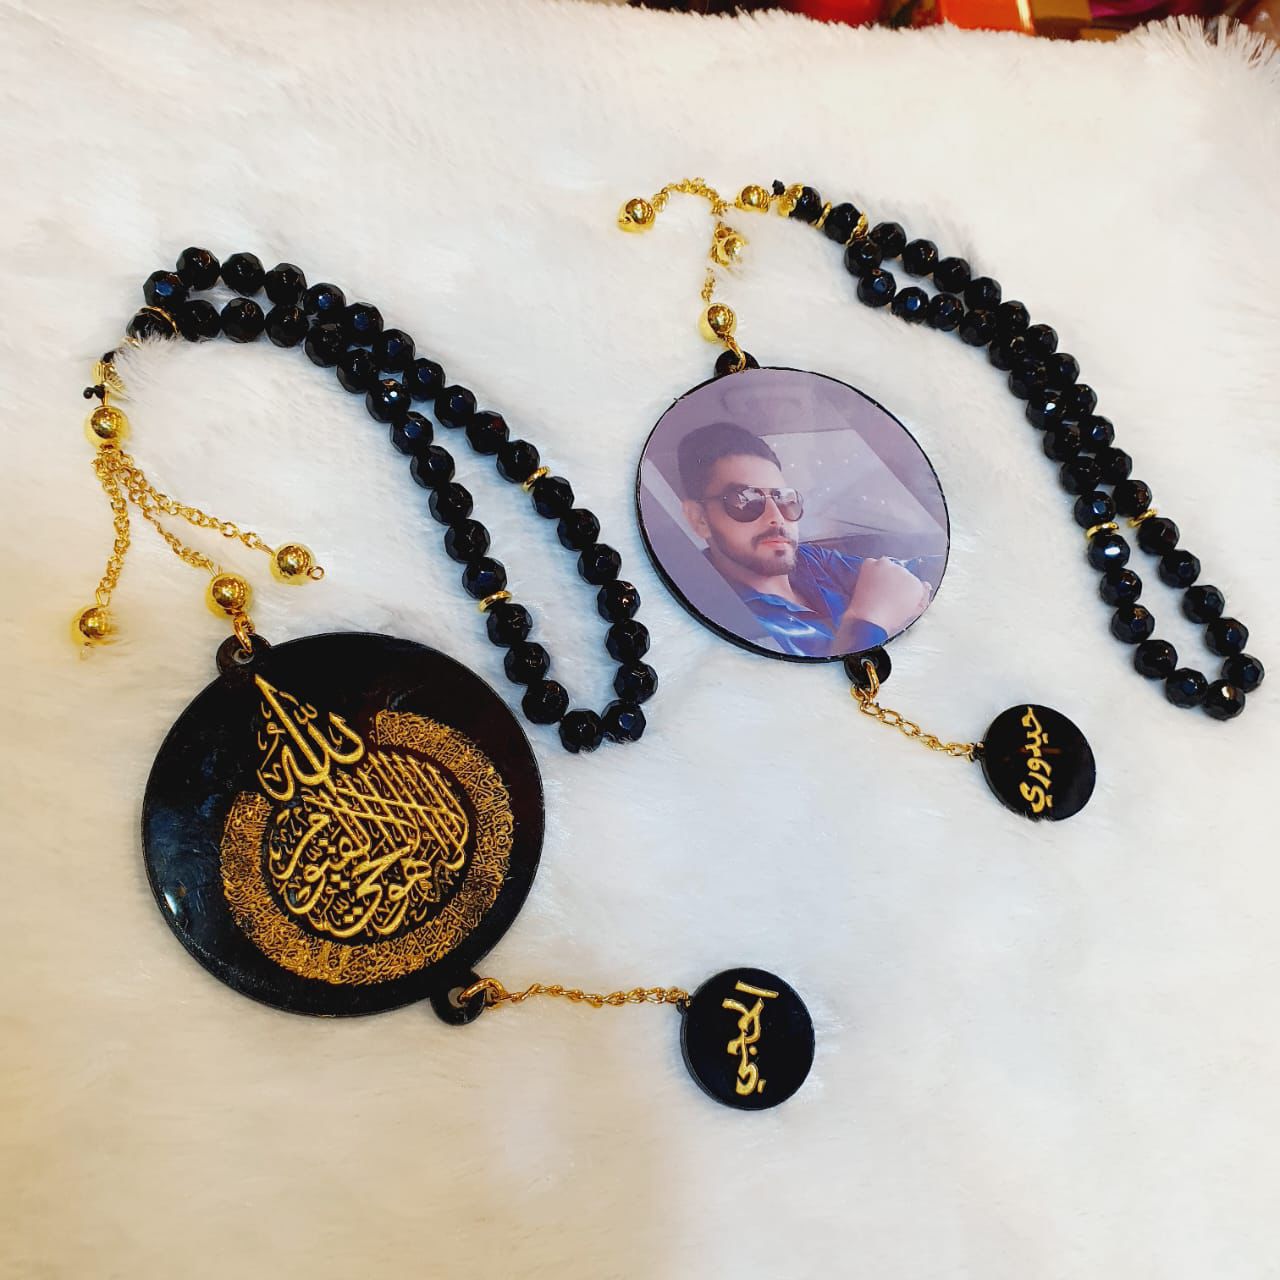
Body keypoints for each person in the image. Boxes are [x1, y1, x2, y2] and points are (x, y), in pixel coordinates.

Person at [676, 420, 931, 658]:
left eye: (785, 499)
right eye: (746, 501)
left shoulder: (810, 561)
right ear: (700, 519)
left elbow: (906, 573)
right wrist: (868, 621)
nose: (776, 518)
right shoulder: (717, 620)